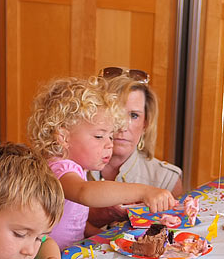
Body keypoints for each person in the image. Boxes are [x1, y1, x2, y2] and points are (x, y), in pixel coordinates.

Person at [27, 75, 176, 248]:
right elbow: (85, 193)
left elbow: (73, 221)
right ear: (63, 137)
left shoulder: (77, 169)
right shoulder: (59, 168)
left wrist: (98, 235)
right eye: (99, 136)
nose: (109, 144)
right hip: (51, 257)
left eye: (110, 136)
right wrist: (144, 191)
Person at [87, 69, 184, 231]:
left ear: (146, 123)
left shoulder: (167, 180)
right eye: (115, 113)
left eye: (133, 115)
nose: (123, 126)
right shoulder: (69, 169)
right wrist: (99, 215)